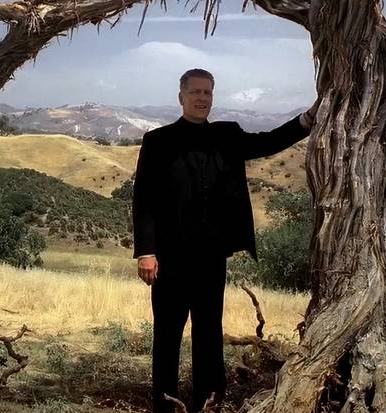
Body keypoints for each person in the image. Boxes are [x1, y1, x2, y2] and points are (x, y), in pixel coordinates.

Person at [131, 68, 318, 413]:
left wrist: (307, 119)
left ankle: (209, 401)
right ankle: (165, 404)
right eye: (196, 92)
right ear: (181, 97)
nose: (202, 98)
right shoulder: (158, 141)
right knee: (167, 334)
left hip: (211, 257)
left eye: (208, 92)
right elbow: (144, 200)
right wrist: (146, 251)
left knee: (209, 332)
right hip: (169, 258)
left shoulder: (227, 135)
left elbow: (267, 142)